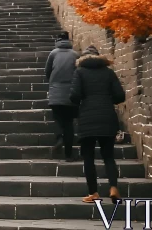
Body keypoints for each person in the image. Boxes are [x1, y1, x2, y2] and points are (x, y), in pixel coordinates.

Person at [70, 45, 126, 204]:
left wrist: (82, 101)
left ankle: (93, 193)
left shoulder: (79, 72)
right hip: (107, 116)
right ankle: (114, 187)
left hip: (87, 118)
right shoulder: (108, 72)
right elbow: (120, 96)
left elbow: (74, 95)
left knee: (88, 157)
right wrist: (107, 100)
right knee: (108, 156)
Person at [44, 31, 79, 162]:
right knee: (69, 123)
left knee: (58, 118)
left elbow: (47, 71)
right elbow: (78, 73)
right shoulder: (75, 54)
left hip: (56, 92)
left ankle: (59, 137)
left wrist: (53, 83)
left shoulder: (53, 53)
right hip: (70, 93)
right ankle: (69, 155)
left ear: (57, 40)